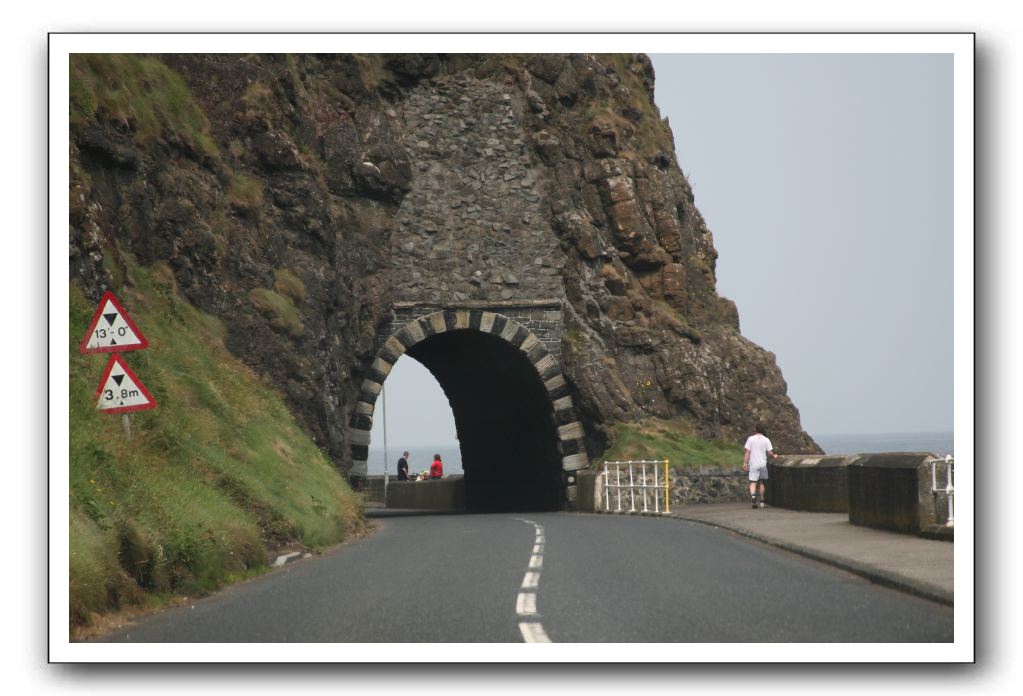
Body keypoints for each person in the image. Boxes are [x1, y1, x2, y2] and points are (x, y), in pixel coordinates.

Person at [743, 424, 780, 508]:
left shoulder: (750, 439)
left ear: (756, 430)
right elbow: (770, 452)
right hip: (762, 464)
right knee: (762, 482)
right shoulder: (766, 440)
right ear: (763, 431)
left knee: (753, 481)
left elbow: (747, 452)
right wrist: (774, 456)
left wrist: (745, 463)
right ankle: (762, 501)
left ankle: (753, 496)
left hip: (753, 464)